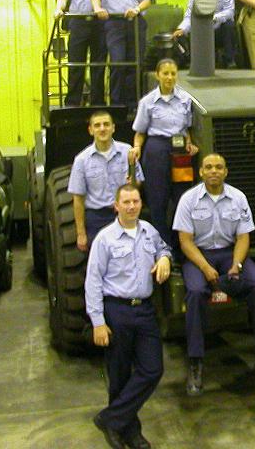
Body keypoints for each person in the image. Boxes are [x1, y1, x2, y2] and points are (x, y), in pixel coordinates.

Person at [172, 153, 255, 396]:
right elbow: (185, 241)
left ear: (226, 172)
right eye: (209, 167)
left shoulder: (238, 197)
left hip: (229, 254)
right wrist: (204, 267)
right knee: (194, 292)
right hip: (198, 255)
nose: (214, 171)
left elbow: (243, 236)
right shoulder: (188, 200)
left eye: (219, 167)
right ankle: (195, 362)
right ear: (201, 172)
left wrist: (236, 265)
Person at [85, 183, 171, 449]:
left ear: (140, 204)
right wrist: (98, 322)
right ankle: (129, 432)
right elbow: (93, 281)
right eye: (126, 202)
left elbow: (164, 248)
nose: (132, 206)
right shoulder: (105, 238)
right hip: (117, 310)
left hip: (144, 309)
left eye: (135, 201)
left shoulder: (150, 232)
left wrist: (165, 258)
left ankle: (110, 419)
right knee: (119, 374)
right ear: (116, 206)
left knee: (152, 369)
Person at [131, 58, 198, 247]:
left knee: (181, 198)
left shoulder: (186, 100)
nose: (169, 77)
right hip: (156, 150)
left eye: (173, 73)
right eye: (165, 73)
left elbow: (188, 130)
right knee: (157, 199)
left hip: (180, 153)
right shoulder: (147, 102)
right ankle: (162, 247)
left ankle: (180, 246)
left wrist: (190, 145)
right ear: (158, 75)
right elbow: (140, 132)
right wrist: (137, 148)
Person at [90, 0, 156, 106]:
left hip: (135, 23)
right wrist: (97, 8)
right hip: (114, 24)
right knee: (118, 63)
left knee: (135, 64)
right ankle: (116, 104)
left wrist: (137, 9)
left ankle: (133, 104)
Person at [68, 111, 133, 252]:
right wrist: (81, 234)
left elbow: (137, 185)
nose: (102, 129)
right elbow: (78, 199)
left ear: (113, 128)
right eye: (97, 125)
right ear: (91, 130)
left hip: (124, 215)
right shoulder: (81, 160)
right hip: (96, 220)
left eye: (106, 124)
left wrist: (133, 183)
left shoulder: (127, 152)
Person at [54, 0, 106, 106]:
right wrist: (58, 8)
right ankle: (73, 102)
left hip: (99, 24)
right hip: (77, 22)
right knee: (76, 63)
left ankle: (98, 101)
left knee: (98, 64)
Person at [172, 0, 239, 68]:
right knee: (181, 34)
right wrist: (182, 29)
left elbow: (230, 11)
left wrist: (213, 18)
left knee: (229, 25)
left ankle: (229, 61)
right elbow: (189, 16)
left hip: (218, 31)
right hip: (201, 32)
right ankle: (191, 61)